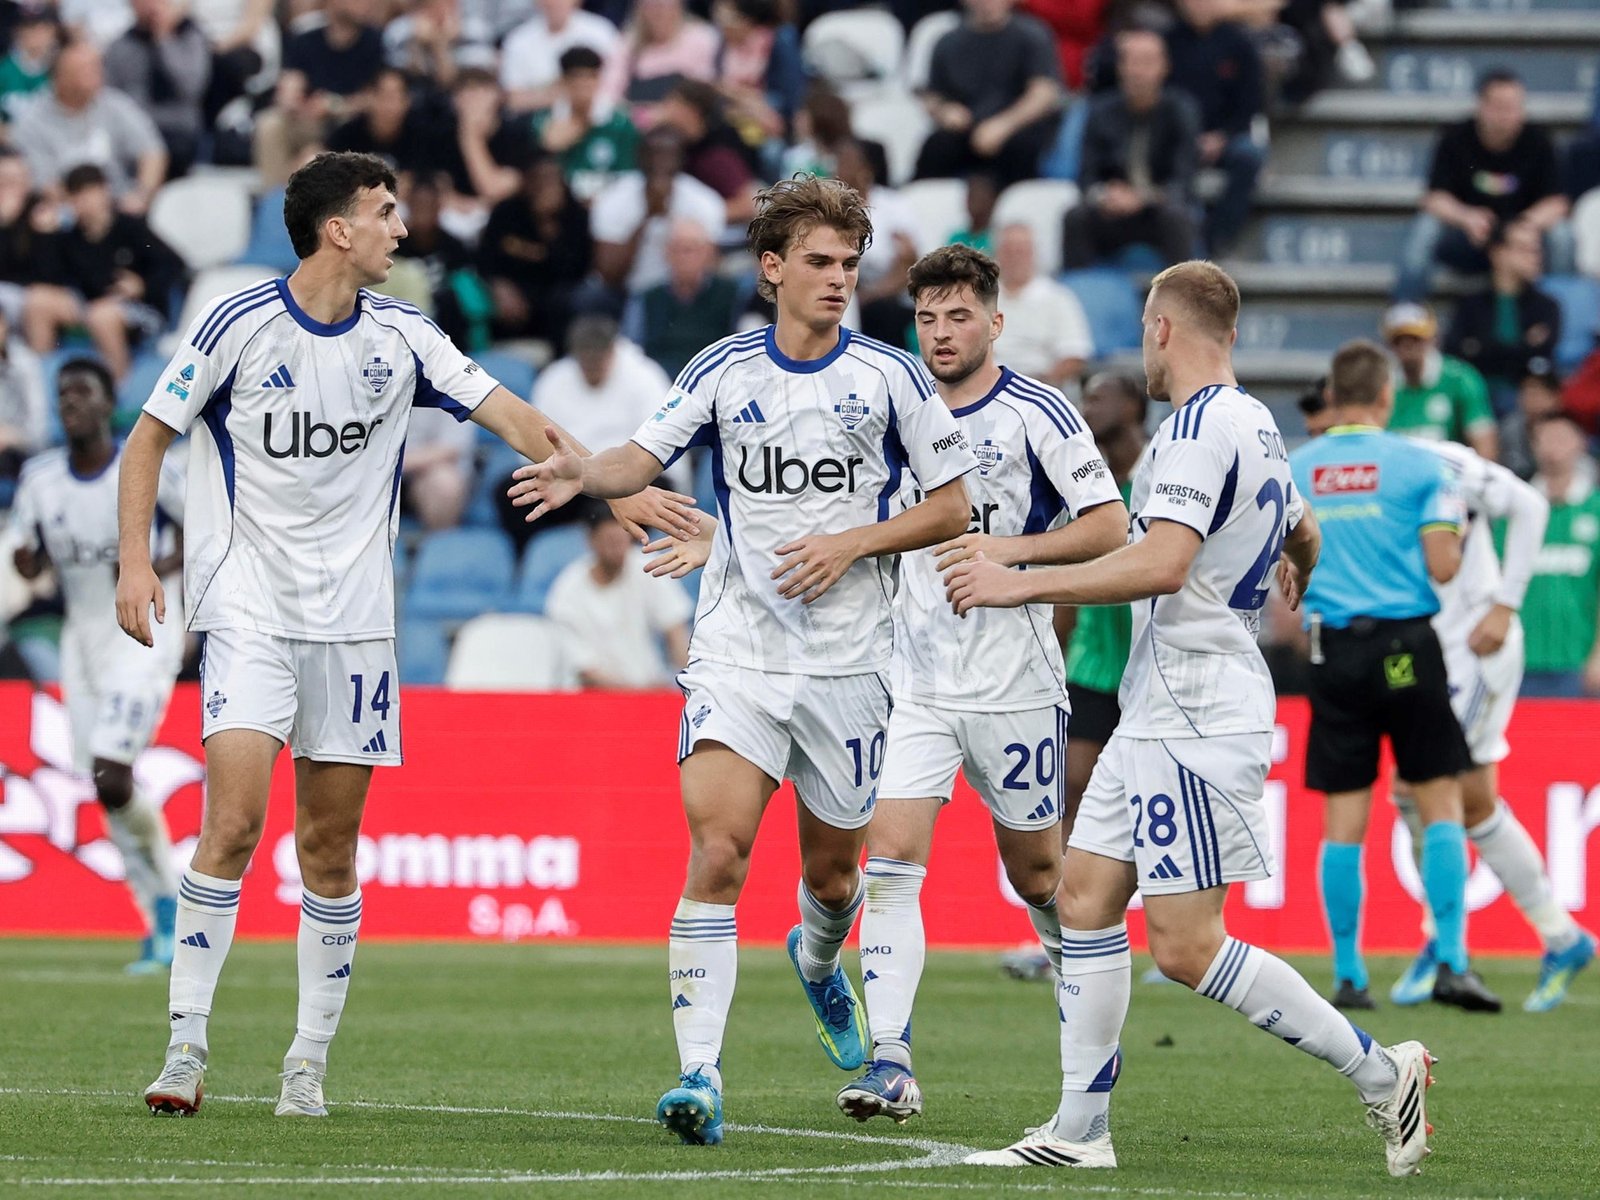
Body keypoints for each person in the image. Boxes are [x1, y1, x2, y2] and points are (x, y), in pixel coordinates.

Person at [116, 150, 696, 1120]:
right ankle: (186, 1048)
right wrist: (136, 559)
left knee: (331, 848)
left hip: (354, 628)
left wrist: (612, 483)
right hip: (249, 607)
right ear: (337, 228)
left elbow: (511, 412)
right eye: (386, 211)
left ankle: (306, 1061)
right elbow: (150, 438)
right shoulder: (238, 325)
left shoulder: (405, 336)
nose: (402, 227)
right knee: (235, 822)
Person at [508, 174, 979, 1147]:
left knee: (837, 878)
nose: (838, 279)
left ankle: (815, 962)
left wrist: (852, 542)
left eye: (849, 263)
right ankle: (698, 1075)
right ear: (771, 268)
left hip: (854, 665)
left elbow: (952, 506)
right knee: (717, 850)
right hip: (740, 654)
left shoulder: (889, 377)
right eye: (818, 261)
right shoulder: (722, 370)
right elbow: (642, 457)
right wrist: (585, 473)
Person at [948, 264, 1435, 1179]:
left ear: (1163, 330)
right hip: (1161, 703)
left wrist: (1020, 581)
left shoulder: (1196, 431)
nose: (1142, 347)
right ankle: (1079, 1129)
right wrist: (1299, 562)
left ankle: (1381, 1072)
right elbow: (1302, 524)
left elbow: (1165, 564)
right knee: (1085, 898)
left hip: (1200, 707)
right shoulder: (1256, 423)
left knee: (1183, 945)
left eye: (1144, 330)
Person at [842, 244, 1125, 1119]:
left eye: (958, 315)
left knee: (1040, 876)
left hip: (1016, 686)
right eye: (926, 317)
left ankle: (1091, 1037)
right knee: (887, 860)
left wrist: (1009, 551)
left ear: (996, 322)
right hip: (916, 681)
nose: (940, 332)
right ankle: (890, 1060)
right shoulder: (892, 411)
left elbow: (1111, 526)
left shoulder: (1039, 411)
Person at [1289, 339, 1500, 1013]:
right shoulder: (1422, 464)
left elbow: (1279, 567)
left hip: (1333, 652)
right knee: (1439, 801)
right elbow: (1442, 565)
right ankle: (1454, 962)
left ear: (1333, 397)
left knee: (1343, 817)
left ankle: (1349, 974)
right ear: (1385, 396)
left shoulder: (1298, 467)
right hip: (1407, 645)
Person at [1380, 437, 1596, 1014]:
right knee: (1472, 804)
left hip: (1475, 649)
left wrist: (1506, 603)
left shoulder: (1438, 459)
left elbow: (1530, 505)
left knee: (1417, 788)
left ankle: (1443, 940)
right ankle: (1560, 938)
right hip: (1433, 653)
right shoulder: (1344, 477)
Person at [10, 357, 186, 974]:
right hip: (81, 636)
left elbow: (203, 531)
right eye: (62, 393)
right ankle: (163, 911)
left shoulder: (144, 466)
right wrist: (29, 567)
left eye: (82, 391)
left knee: (113, 775)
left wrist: (151, 569)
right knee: (106, 788)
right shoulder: (41, 479)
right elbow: (27, 561)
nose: (70, 402)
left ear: (108, 400)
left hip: (146, 628)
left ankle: (171, 907)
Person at [1000, 371, 1148, 983]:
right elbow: (1066, 585)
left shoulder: (1162, 478)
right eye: (1085, 396)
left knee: (1151, 799)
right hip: (1090, 668)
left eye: (1101, 396)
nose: (1090, 406)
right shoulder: (1082, 483)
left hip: (1150, 671)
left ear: (1134, 406)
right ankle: (1065, 932)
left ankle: (1173, 930)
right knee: (1071, 794)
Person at [1394, 71, 1571, 302]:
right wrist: (1465, 217)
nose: (1507, 115)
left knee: (1562, 235)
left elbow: (1557, 202)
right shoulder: (1455, 137)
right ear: (1481, 106)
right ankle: (1405, 316)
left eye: (1514, 106)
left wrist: (1524, 225)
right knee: (1425, 229)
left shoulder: (1539, 140)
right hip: (1467, 235)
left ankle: (1561, 315)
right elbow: (1433, 198)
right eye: (1500, 106)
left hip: (1522, 238)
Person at [24, 162, 184, 382]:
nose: (87, 202)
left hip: (139, 308)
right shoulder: (70, 236)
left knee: (102, 316)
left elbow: (173, 264)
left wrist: (143, 285)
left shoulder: (131, 227)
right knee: (38, 300)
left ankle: (114, 394)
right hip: (90, 303)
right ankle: (39, 385)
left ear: (105, 192)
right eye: (78, 196)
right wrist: (46, 236)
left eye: (91, 193)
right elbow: (49, 278)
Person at [1063, 27, 1198, 270]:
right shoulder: (1100, 111)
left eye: (1147, 62)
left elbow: (1183, 178)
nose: (1138, 71)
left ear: (1164, 67)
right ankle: (1078, 293)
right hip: (1111, 209)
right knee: (1075, 217)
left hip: (1156, 211)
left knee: (1178, 217)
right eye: (1131, 62)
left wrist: (1144, 197)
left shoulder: (1181, 111)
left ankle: (1182, 295)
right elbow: (1086, 176)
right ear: (1120, 66)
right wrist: (1105, 195)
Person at [916, 0, 1064, 189]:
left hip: (1017, 128)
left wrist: (1004, 126)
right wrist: (945, 111)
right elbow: (933, 94)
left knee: (1024, 149)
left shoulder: (1033, 35)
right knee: (936, 146)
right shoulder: (947, 42)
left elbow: (1044, 93)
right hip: (966, 129)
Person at [10, 37, 168, 212]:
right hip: (65, 212)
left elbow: (152, 151)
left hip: (120, 206)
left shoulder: (114, 104)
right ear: (59, 77)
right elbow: (42, 183)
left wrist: (141, 194)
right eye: (84, 70)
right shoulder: (32, 122)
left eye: (96, 66)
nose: (97, 74)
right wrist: (90, 207)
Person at [547, 502, 692, 689]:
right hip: (592, 698)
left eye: (622, 541)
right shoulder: (567, 590)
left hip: (651, 690)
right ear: (590, 540)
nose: (617, 549)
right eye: (610, 542)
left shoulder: (649, 569)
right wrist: (637, 694)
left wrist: (688, 683)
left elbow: (676, 632)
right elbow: (584, 669)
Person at [1163, 0, 1263, 255]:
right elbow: (1162, 101)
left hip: (1226, 137)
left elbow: (1251, 102)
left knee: (1249, 156)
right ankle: (1181, 240)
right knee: (1169, 162)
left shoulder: (1240, 44)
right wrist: (1187, 137)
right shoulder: (1167, 42)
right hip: (1176, 138)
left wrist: (1223, 136)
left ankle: (1217, 237)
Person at [1444, 220, 1562, 422]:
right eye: (1525, 249)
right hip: (1475, 394)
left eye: (1537, 250)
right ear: (1498, 254)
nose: (1536, 257)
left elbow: (1541, 359)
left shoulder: (1547, 306)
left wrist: (1481, 348)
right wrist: (1523, 346)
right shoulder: (1470, 304)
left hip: (1523, 399)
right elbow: (1454, 353)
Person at [1518, 410, 1600, 698]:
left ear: (1581, 443)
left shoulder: (1596, 509)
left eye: (1562, 438)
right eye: (1545, 438)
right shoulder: (1515, 511)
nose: (1553, 446)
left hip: (1579, 662)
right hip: (1519, 663)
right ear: (1532, 444)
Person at [590, 126, 727, 299]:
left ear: (681, 159)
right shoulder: (613, 198)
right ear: (640, 157)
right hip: (625, 292)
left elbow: (709, 266)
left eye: (668, 155)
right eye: (654, 154)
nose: (660, 163)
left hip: (684, 294)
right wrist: (647, 216)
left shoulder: (704, 201)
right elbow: (609, 274)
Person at [104, 0, 212, 178]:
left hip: (178, 128)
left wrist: (163, 40)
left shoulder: (190, 36)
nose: (150, 6)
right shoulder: (120, 47)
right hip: (134, 128)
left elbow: (192, 88)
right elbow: (111, 97)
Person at [1382, 303, 1498, 462]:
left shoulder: (1460, 379)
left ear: (1432, 340)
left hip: (1451, 478)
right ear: (1389, 344)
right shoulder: (1381, 385)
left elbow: (1484, 442)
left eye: (1415, 339)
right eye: (1399, 340)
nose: (1407, 346)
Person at [525, 45, 638, 203]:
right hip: (561, 204)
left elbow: (628, 175)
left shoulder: (620, 122)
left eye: (590, 77)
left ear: (599, 79)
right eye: (577, 78)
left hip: (608, 202)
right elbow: (544, 154)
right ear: (564, 81)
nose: (584, 85)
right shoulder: (545, 119)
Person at [633, 216, 742, 380]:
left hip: (716, 382)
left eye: (691, 249)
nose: (684, 257)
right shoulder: (648, 298)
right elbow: (633, 350)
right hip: (660, 385)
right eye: (677, 249)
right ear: (666, 253)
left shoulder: (731, 294)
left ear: (708, 253)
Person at [994, 221, 1092, 388]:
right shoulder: (982, 297)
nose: (1015, 258)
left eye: (1021, 251)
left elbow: (1075, 355)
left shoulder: (1059, 297)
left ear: (1033, 254)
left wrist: (1039, 387)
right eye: (1008, 251)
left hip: (1041, 385)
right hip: (987, 386)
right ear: (997, 254)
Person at [499, 0, 621, 115]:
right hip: (535, 123)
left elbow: (612, 88)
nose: (555, 3)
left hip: (596, 117)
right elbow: (514, 100)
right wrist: (565, 93)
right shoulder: (518, 40)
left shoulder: (602, 32)